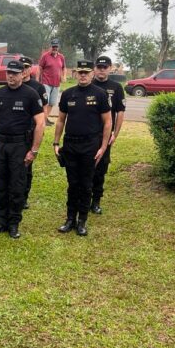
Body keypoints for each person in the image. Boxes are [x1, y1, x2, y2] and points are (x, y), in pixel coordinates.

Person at [0, 60, 44, 239]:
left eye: (15, 73)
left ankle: (14, 224)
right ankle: (1, 222)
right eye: (9, 73)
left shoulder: (31, 95)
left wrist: (34, 150)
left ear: (22, 74)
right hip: (0, 144)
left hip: (20, 145)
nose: (11, 76)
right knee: (0, 185)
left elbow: (40, 124)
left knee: (17, 186)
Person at [53, 60, 112, 236]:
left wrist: (103, 146)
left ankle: (82, 221)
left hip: (90, 145)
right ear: (76, 74)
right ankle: (70, 219)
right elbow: (61, 120)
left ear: (92, 73)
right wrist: (56, 142)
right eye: (80, 72)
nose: (83, 75)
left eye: (86, 72)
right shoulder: (68, 94)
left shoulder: (100, 94)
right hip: (71, 144)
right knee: (72, 184)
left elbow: (108, 122)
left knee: (86, 185)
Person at [90, 54, 126, 213]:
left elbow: (120, 113)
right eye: (99, 67)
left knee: (101, 168)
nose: (101, 70)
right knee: (86, 166)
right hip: (89, 133)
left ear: (110, 69)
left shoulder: (116, 87)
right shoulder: (88, 84)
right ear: (94, 69)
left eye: (105, 68)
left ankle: (96, 201)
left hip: (105, 135)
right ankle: (83, 197)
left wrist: (115, 134)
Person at [19, 55, 48, 208]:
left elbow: (44, 110)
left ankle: (24, 197)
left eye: (26, 67)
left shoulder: (38, 87)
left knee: (27, 165)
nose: (23, 71)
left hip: (31, 131)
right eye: (21, 67)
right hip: (16, 131)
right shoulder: (13, 85)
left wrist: (40, 129)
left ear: (31, 69)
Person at [38, 38, 66, 126]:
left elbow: (64, 68)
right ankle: (42, 120)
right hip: (46, 82)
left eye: (56, 46)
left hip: (56, 83)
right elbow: (40, 68)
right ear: (51, 46)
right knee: (45, 102)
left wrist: (64, 76)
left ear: (59, 47)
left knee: (52, 103)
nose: (55, 48)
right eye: (53, 46)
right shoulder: (45, 56)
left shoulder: (61, 57)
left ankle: (45, 119)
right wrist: (37, 79)